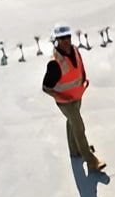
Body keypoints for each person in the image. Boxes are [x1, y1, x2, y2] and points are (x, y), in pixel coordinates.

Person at [41, 24, 106, 172]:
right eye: (62, 38)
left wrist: (83, 81)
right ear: (56, 40)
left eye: (68, 36)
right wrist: (60, 96)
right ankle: (91, 161)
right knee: (79, 126)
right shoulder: (54, 63)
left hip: (77, 95)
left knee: (72, 123)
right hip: (65, 101)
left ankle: (75, 151)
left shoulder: (75, 50)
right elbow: (45, 87)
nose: (66, 40)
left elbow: (79, 67)